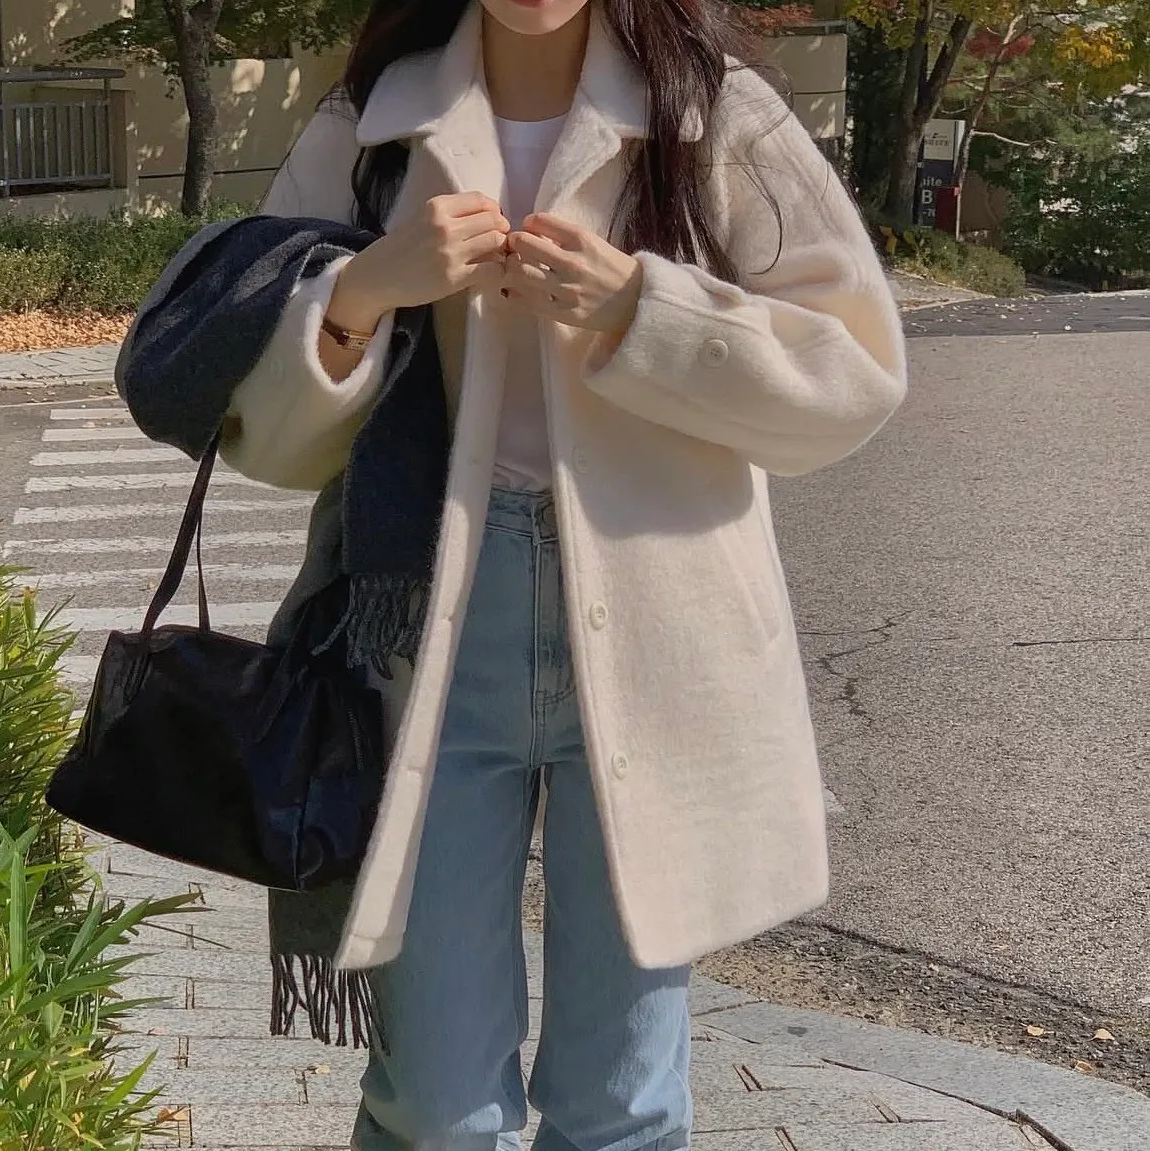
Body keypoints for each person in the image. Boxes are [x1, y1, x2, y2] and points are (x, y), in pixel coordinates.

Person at [162, 0, 907, 1147]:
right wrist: (361, 292)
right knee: (433, 1102)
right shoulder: (375, 122)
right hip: (425, 626)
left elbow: (853, 372)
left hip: (663, 629)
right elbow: (272, 437)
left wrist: (644, 310)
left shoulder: (712, 115)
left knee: (621, 1099)